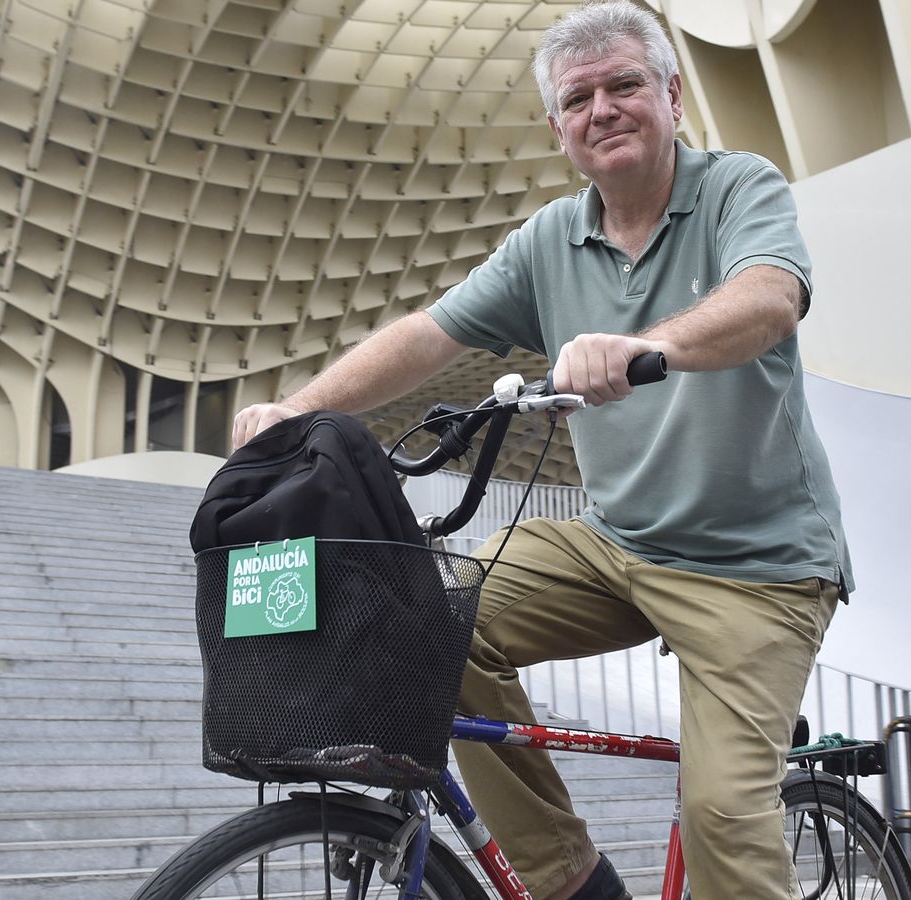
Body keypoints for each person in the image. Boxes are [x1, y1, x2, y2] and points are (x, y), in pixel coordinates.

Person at [231, 1, 851, 897]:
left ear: (673, 96)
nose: (603, 109)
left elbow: (769, 299)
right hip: (616, 542)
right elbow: (428, 334)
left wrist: (645, 346)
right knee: (432, 630)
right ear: (557, 128)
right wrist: (297, 407)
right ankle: (568, 880)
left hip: (756, 567)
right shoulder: (549, 240)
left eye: (625, 85)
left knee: (721, 814)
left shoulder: (736, 188)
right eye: (578, 98)